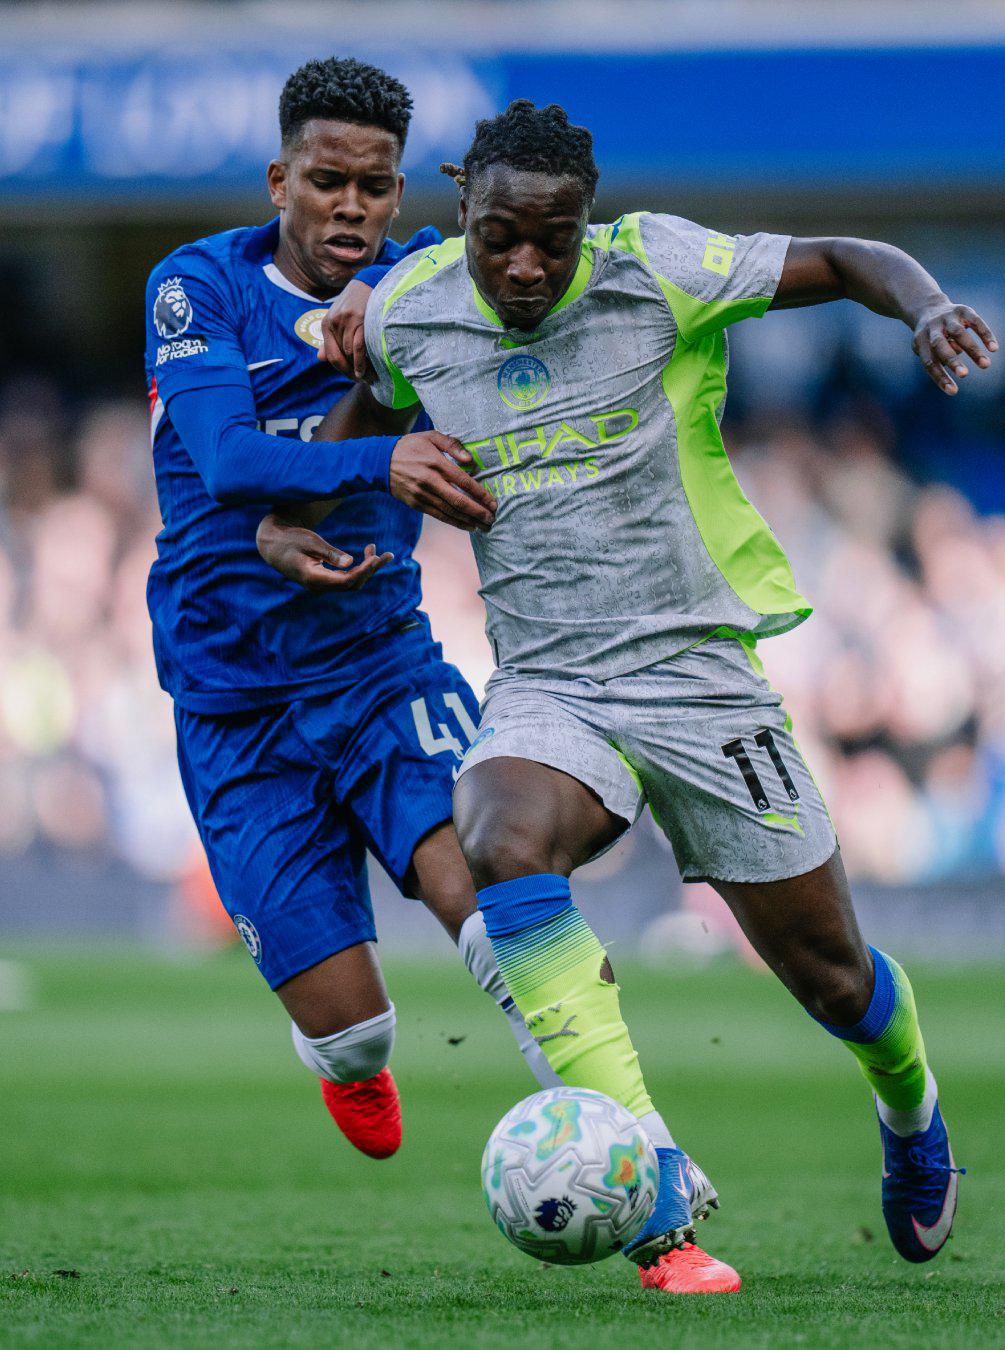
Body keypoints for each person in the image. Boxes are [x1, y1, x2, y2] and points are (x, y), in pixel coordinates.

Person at [257, 99, 996, 1293]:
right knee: (497, 834)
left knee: (836, 979)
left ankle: (912, 1112)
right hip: (550, 681)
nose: (528, 266)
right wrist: (298, 513)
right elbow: (373, 408)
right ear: (463, 208)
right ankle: (653, 1179)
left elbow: (852, 258)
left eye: (555, 238)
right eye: (502, 236)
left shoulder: (659, 267)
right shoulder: (410, 308)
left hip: (701, 677)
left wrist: (929, 307)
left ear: (590, 222)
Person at [143, 58, 560, 1167]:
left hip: (381, 665)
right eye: (327, 181)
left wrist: (408, 275)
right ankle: (345, 1056)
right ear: (281, 179)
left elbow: (496, 257)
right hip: (236, 701)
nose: (350, 207)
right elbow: (230, 460)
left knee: (490, 899)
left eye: (375, 189)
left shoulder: (424, 279)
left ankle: (635, 1161)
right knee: (356, 1032)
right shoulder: (197, 288)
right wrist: (391, 454)